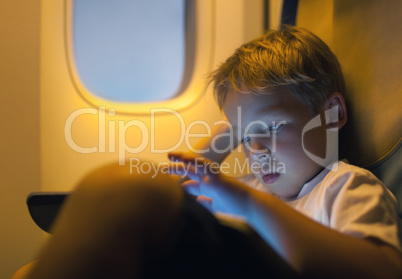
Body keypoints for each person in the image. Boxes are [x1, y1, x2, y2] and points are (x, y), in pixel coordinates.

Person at [17, 26, 401, 279]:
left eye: (270, 127)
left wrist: (247, 203)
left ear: (331, 114)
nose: (256, 149)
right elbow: (170, 191)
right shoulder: (246, 185)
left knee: (120, 188)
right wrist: (230, 136)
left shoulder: (344, 187)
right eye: (244, 136)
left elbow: (382, 270)